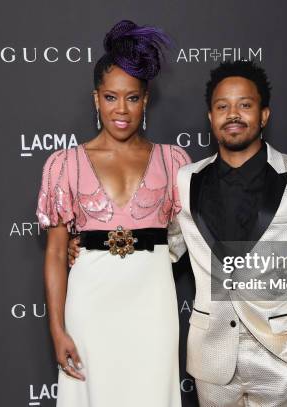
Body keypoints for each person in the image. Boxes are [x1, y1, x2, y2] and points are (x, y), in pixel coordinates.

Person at [69, 60, 287, 406]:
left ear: (264, 115)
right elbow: (164, 245)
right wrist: (93, 248)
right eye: (222, 106)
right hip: (211, 360)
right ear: (210, 117)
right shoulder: (186, 179)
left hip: (281, 355)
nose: (233, 114)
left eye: (245, 105)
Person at [35, 20, 191, 407]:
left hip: (153, 303)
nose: (121, 109)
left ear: (146, 98)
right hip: (90, 305)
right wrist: (57, 330)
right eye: (110, 97)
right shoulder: (65, 164)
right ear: (95, 99)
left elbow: (185, 238)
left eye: (132, 98)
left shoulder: (174, 163)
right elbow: (55, 253)